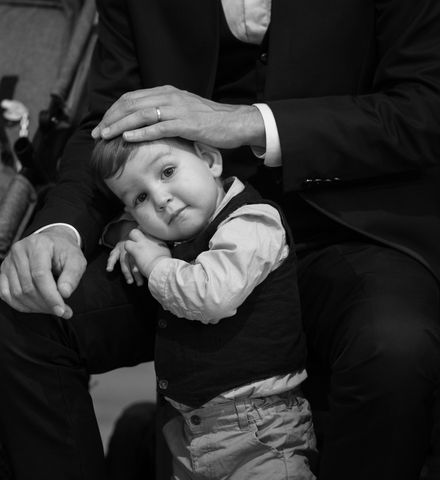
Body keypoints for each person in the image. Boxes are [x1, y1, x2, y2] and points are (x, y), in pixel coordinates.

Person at [0, 0, 440, 479]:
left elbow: (425, 107)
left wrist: (245, 122)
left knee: (396, 345)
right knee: (20, 313)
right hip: (186, 237)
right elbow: (104, 124)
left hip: (352, 229)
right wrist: (60, 228)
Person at [91, 134, 317, 479]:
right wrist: (130, 237)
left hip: (260, 428)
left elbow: (211, 297)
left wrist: (154, 264)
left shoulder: (252, 222)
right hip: (192, 430)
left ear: (211, 160)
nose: (161, 199)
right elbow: (115, 228)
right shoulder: (175, 234)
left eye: (167, 172)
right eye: (140, 197)